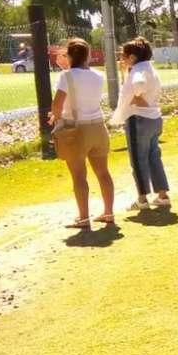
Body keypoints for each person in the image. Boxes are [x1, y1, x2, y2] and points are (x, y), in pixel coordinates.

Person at [48, 38, 115, 228]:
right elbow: (81, 85)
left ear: (69, 56)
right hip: (98, 127)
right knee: (103, 172)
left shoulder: (66, 76)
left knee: (78, 175)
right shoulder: (98, 75)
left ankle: (84, 217)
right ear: (88, 55)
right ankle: (108, 212)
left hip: (76, 129)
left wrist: (55, 117)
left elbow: (57, 104)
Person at [111, 37, 171, 211]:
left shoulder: (138, 70)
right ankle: (162, 195)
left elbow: (137, 84)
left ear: (132, 57)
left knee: (138, 160)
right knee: (154, 157)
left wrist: (137, 98)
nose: (121, 59)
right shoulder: (148, 68)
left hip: (139, 119)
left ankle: (142, 199)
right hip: (153, 118)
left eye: (124, 56)